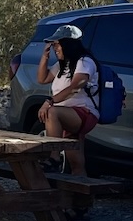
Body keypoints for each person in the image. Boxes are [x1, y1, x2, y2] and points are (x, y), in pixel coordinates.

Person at [35, 24, 98, 176]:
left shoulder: (85, 62)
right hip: (67, 116)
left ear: (68, 44)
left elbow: (75, 87)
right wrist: (45, 56)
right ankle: (81, 196)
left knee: (52, 112)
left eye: (57, 45)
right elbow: (42, 79)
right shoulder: (62, 65)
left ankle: (54, 157)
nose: (55, 48)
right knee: (76, 162)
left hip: (84, 113)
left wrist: (49, 101)